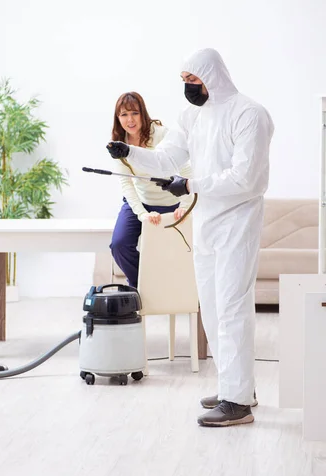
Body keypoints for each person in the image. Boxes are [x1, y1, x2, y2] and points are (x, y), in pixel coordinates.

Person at [107, 48, 274, 427]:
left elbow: (246, 178)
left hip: (238, 220)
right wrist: (130, 152)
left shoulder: (249, 113)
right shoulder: (192, 116)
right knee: (213, 308)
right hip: (207, 221)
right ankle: (236, 388)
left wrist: (191, 183)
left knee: (232, 306)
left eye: (193, 81)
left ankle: (237, 402)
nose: (189, 88)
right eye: (184, 82)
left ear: (213, 76)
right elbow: (167, 158)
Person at [109, 91, 191, 289]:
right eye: (124, 115)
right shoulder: (119, 145)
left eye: (134, 113)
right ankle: (144, 287)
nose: (130, 120)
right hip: (141, 202)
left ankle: (182, 292)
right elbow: (126, 183)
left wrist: (185, 206)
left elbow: (187, 170)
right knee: (119, 245)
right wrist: (143, 214)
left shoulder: (162, 134)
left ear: (143, 114)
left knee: (183, 251)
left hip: (172, 203)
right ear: (117, 118)